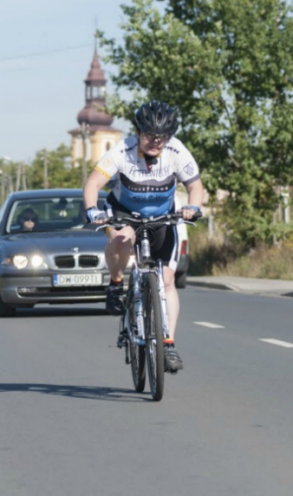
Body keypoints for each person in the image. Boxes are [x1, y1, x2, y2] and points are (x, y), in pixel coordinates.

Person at [83, 100, 204, 372]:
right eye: (149, 135)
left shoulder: (177, 151)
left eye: (162, 137)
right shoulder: (122, 151)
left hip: (162, 217)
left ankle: (168, 345)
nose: (155, 142)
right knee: (121, 239)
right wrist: (92, 210)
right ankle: (116, 283)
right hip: (124, 212)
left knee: (168, 279)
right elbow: (93, 183)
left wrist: (193, 208)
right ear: (138, 132)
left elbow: (195, 186)